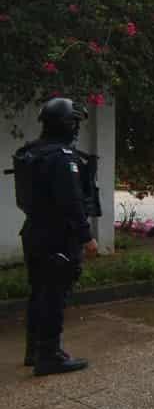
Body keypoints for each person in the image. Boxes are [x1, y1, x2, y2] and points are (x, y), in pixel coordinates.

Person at [16, 98, 97, 376]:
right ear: (66, 124)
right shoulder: (62, 158)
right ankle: (50, 355)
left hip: (33, 232)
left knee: (38, 292)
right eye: (74, 122)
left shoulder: (30, 153)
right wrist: (87, 237)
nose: (76, 128)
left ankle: (34, 350)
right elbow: (71, 202)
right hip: (57, 237)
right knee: (53, 295)